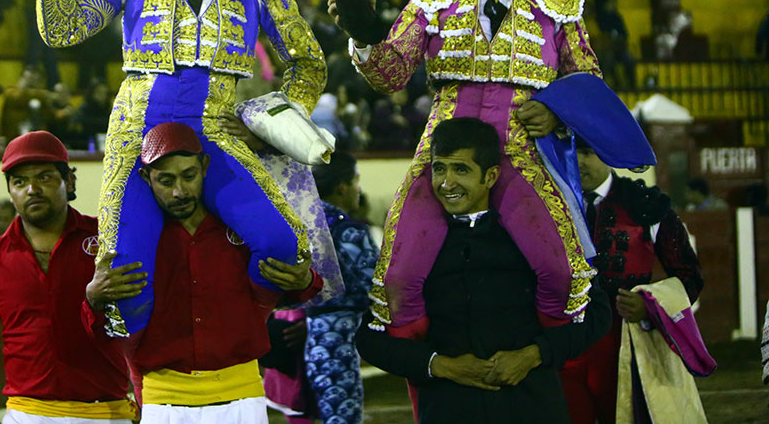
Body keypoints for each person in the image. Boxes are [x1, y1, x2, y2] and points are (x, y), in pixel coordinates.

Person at [22, 0, 326, 337]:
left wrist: (268, 125)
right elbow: (62, 28)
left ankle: (239, 336)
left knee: (283, 249)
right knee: (127, 285)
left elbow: (308, 62)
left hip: (216, 131)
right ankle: (151, 387)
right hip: (138, 136)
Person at [329, 0, 602, 332]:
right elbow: (391, 74)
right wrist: (361, 33)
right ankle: (433, 376)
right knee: (396, 280)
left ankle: (540, 372)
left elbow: (588, 77)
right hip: (446, 149)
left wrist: (557, 111)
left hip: (522, 146)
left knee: (561, 274)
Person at [355, 118, 611, 423]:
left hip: (531, 406)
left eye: (461, 170)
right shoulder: (413, 251)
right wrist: (440, 365)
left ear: (490, 176)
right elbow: (369, 338)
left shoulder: (534, 242)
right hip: (449, 409)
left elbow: (597, 314)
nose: (446, 183)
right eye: (439, 169)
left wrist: (533, 355)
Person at [85, 122, 323, 422]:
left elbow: (289, 289)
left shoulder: (244, 230)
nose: (179, 191)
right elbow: (102, 328)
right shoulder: (133, 242)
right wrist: (92, 297)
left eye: (189, 176)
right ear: (146, 178)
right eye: (165, 180)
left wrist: (306, 281)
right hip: (166, 401)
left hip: (241, 395)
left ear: (205, 167)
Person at [0, 131, 137, 423]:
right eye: (19, 182)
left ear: (69, 182)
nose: (32, 189)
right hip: (28, 414)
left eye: (44, 177)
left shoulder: (107, 243)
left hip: (106, 412)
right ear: (10, 192)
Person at [561, 141, 703, 424]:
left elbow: (689, 276)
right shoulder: (547, 202)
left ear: (609, 153)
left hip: (627, 341)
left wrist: (649, 304)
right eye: (570, 151)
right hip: (563, 343)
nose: (578, 161)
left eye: (588, 152)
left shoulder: (647, 204)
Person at [265, 151, 379, 423]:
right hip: (335, 340)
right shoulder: (350, 231)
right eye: (355, 181)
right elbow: (375, 290)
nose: (357, 189)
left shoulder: (292, 227)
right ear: (342, 187)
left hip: (290, 333)